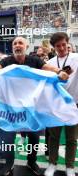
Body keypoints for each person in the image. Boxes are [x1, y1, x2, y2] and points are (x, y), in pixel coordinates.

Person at [0, 36, 69, 176]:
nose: (17, 45)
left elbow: (47, 67)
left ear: (26, 46)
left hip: (31, 107)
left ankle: (31, 162)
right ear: (12, 47)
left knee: (34, 136)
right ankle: (9, 163)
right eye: (15, 43)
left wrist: (59, 72)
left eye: (20, 43)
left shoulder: (34, 60)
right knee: (8, 136)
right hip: (11, 107)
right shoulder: (7, 61)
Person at [45, 32, 78, 176]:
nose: (62, 48)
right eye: (58, 46)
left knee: (72, 138)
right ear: (54, 47)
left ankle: (69, 166)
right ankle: (52, 163)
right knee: (54, 137)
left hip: (74, 103)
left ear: (68, 43)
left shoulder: (76, 58)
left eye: (64, 44)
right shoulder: (50, 63)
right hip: (56, 105)